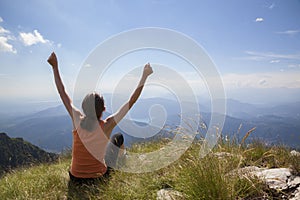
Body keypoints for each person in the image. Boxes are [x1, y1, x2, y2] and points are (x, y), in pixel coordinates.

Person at [47, 52, 153, 185]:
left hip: (75, 179)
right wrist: (144, 76)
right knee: (118, 137)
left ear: (84, 108)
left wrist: (55, 67)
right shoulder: (107, 125)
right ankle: (123, 157)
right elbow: (131, 101)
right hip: (98, 179)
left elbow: (62, 92)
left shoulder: (77, 120)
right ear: (103, 109)